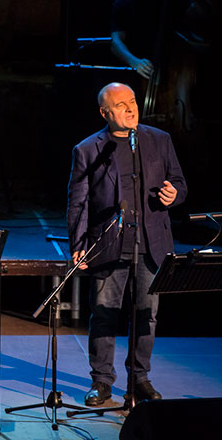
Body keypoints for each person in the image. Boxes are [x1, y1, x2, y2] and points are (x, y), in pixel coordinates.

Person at [67, 82, 187, 406]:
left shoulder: (159, 140)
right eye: (121, 105)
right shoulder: (88, 149)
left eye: (132, 101)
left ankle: (140, 377)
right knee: (104, 314)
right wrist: (78, 243)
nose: (131, 108)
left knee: (147, 314)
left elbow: (179, 183)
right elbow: (78, 202)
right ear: (105, 113)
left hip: (151, 242)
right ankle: (101, 381)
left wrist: (174, 194)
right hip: (108, 243)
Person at [110, 0, 211, 128]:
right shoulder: (122, 3)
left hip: (176, 71)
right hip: (141, 77)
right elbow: (116, 43)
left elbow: (204, 17)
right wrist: (134, 61)